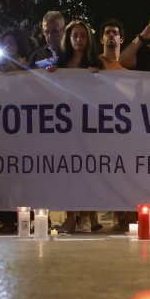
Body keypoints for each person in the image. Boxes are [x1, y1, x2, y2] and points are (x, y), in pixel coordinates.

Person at [52, 20, 102, 235]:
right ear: (68, 38)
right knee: (68, 172)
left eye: (82, 36)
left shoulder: (96, 62)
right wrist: (51, 74)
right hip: (65, 126)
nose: (79, 40)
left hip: (89, 126)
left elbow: (108, 90)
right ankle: (70, 216)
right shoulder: (59, 63)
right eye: (75, 36)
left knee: (87, 171)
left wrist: (97, 75)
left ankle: (86, 216)